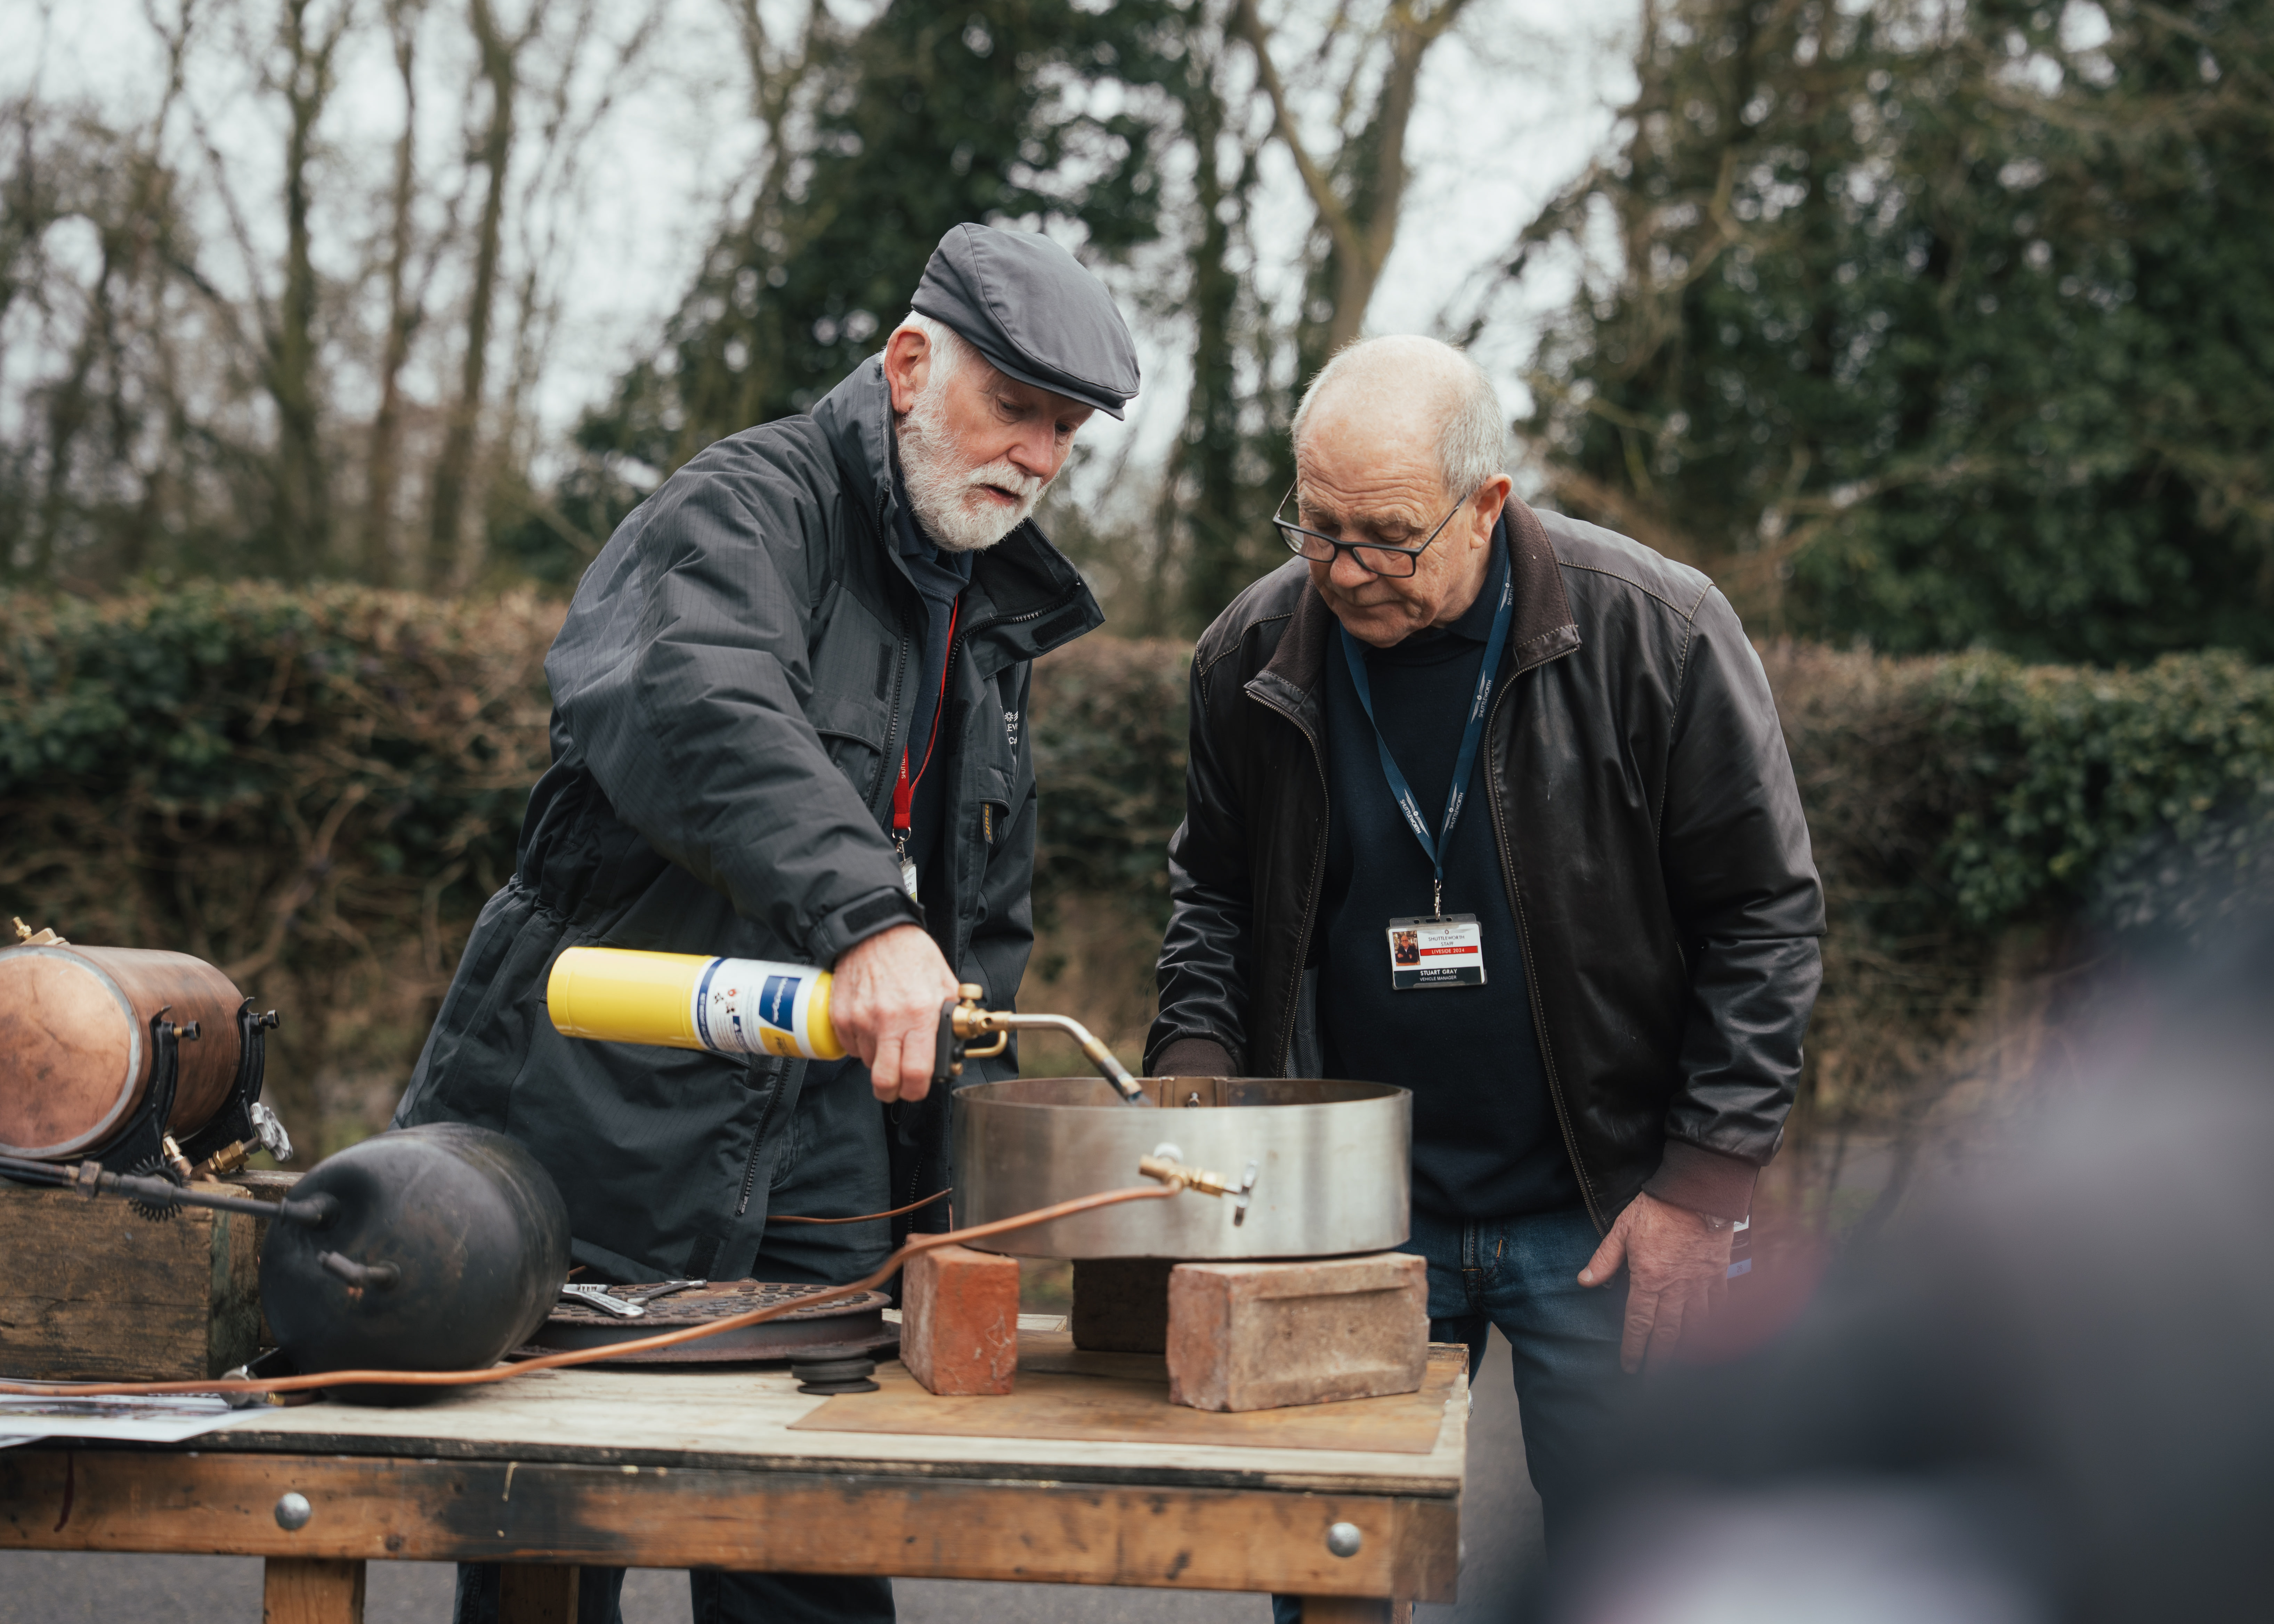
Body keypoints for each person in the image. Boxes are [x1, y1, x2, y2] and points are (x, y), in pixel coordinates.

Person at [391, 223, 1139, 1624]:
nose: (1039, 456)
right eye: (1017, 409)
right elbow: (703, 707)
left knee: (812, 1544)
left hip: (828, 1143)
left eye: (1067, 432)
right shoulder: (741, 507)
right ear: (911, 365)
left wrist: (955, 1158)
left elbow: (979, 909)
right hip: (601, 1117)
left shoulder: (988, 602)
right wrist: (864, 918)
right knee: (552, 1541)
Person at [1146, 335, 1824, 1582]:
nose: (1345, 568)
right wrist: (1201, 1093)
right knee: (1335, 1558)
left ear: (1489, 505)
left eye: (1387, 534)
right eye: (1317, 523)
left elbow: (1763, 917)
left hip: (1613, 1212)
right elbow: (1217, 901)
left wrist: (1704, 1183)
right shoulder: (1248, 655)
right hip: (1350, 1212)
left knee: (1638, 1571)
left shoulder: (1657, 634)